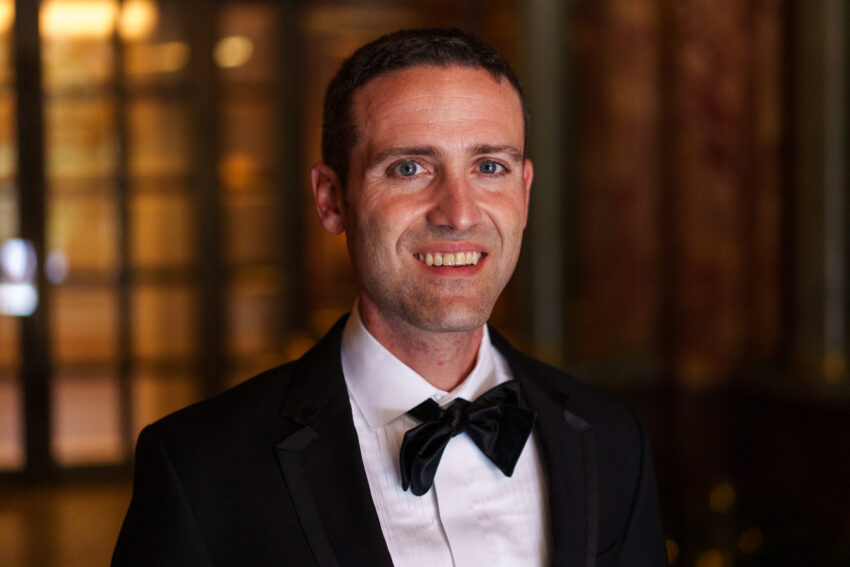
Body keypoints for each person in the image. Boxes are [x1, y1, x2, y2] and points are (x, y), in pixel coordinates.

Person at [112, 28, 666, 567]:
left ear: (523, 193)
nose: (460, 213)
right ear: (332, 200)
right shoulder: (201, 471)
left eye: (489, 167)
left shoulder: (613, 440)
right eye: (409, 168)